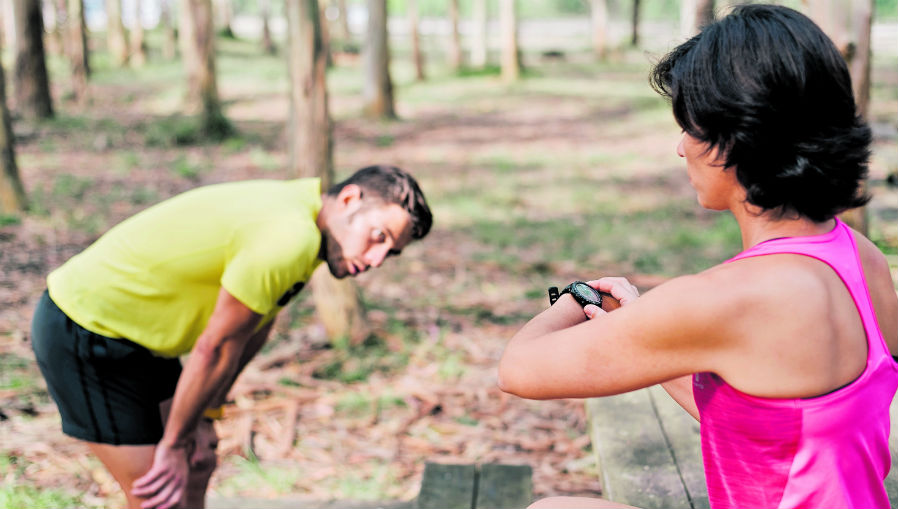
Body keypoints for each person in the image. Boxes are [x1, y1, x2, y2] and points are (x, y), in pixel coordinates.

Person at [498, 5, 897, 509]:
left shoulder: (726, 298)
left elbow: (518, 369)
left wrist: (575, 299)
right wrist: (656, 338)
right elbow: (779, 426)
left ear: (737, 137)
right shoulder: (862, 260)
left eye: (690, 127)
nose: (681, 148)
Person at [30, 165, 432, 509]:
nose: (377, 259)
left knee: (198, 460)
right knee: (158, 495)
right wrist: (172, 445)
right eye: (378, 237)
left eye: (391, 252)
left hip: (142, 341)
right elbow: (216, 346)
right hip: (85, 330)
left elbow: (252, 329)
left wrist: (206, 415)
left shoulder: (306, 216)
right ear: (348, 199)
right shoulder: (290, 237)